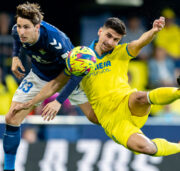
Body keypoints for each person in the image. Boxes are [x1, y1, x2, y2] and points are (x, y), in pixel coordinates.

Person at [15, 17, 180, 159]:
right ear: (100, 31)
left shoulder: (121, 52)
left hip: (128, 104)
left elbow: (140, 42)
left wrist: (154, 31)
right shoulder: (81, 57)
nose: (110, 42)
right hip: (113, 122)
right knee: (147, 148)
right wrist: (30, 103)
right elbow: (57, 83)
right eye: (108, 36)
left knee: (140, 97)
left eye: (116, 39)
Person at [0, 2, 98, 171]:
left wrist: (58, 100)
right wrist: (15, 57)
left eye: (26, 28)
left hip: (68, 76)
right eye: (20, 26)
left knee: (95, 118)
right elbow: (16, 37)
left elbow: (72, 75)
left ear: (37, 27)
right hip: (39, 75)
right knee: (11, 118)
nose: (22, 31)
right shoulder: (17, 30)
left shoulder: (56, 42)